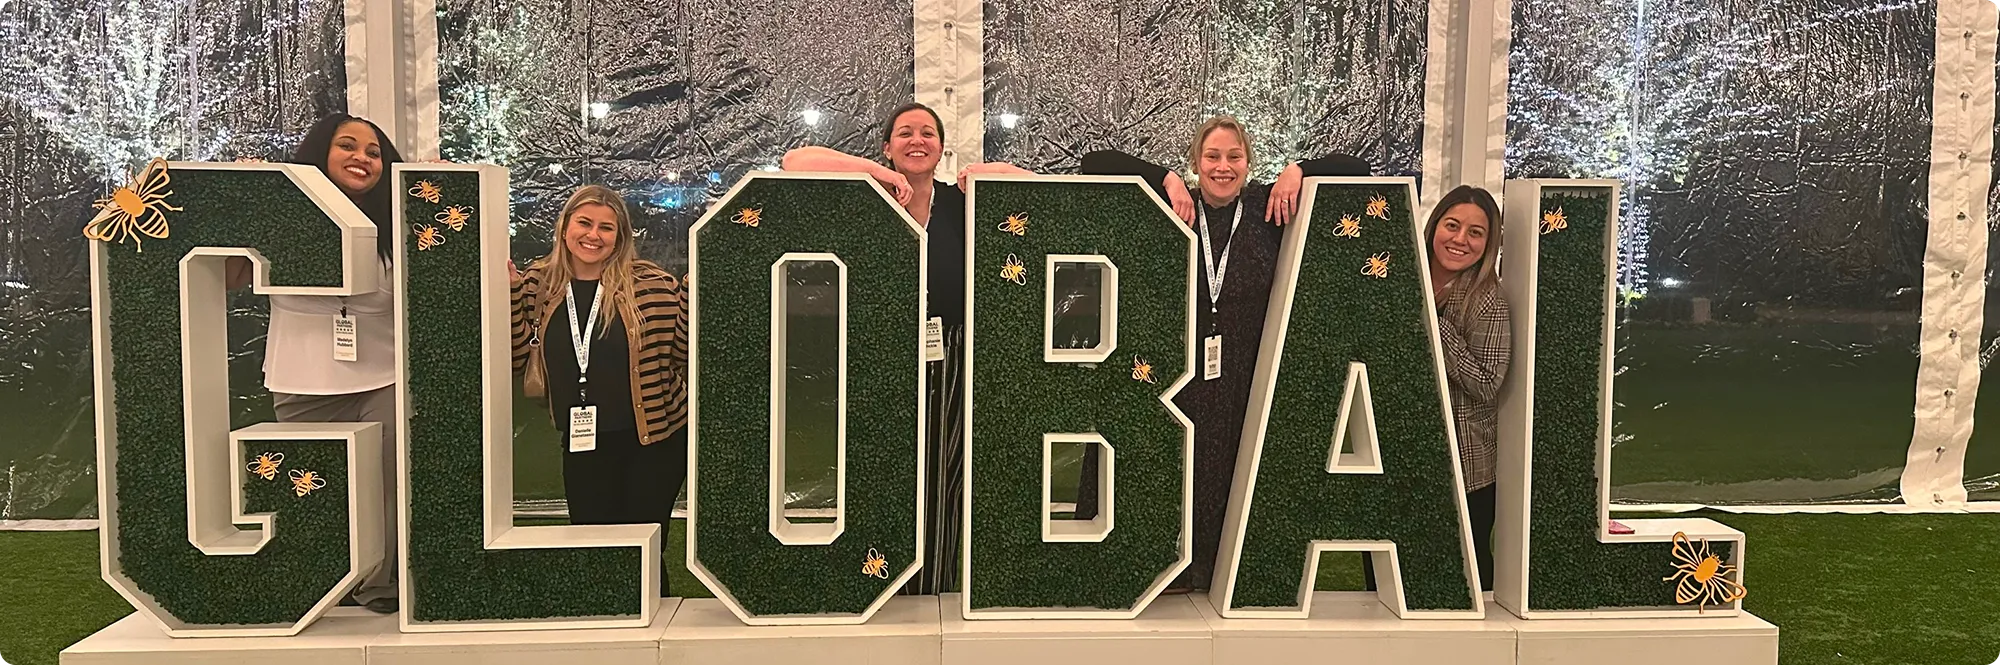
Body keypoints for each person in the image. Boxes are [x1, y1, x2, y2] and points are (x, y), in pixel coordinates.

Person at [1078, 115, 1371, 592]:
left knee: (1226, 474)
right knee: (1167, 470)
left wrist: (1300, 169)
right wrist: (1164, 177)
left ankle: (1213, 575)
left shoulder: (1268, 209)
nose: (1223, 167)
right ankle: (1154, 570)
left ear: (1248, 163)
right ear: (1196, 162)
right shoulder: (1173, 204)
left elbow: (1358, 170)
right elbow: (1095, 163)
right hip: (1176, 369)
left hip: (1241, 373)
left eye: (1234, 157)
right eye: (1212, 156)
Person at [780, 103, 1028, 594]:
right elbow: (795, 161)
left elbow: (1035, 184)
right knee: (885, 468)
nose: (917, 141)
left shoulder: (962, 201)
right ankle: (881, 582)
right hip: (882, 352)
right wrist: (879, 174)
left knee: (946, 473)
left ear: (942, 147)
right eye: (905, 133)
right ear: (887, 146)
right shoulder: (868, 194)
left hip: (950, 352)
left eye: (928, 133)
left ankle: (936, 584)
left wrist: (986, 170)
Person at [226, 113, 404, 613]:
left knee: (386, 485)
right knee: (312, 485)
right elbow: (230, 277)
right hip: (302, 378)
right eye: (348, 146)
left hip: (386, 376)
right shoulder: (277, 213)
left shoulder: (398, 219)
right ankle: (323, 581)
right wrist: (241, 202)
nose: (362, 158)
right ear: (320, 152)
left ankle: (379, 585)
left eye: (374, 152)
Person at [509, 185, 689, 597]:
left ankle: (655, 625)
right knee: (592, 544)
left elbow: (681, 353)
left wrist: (695, 296)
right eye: (585, 223)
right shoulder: (537, 284)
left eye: (606, 227)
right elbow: (518, 355)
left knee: (644, 547)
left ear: (620, 236)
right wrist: (509, 292)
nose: (594, 235)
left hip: (654, 439)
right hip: (583, 439)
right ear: (565, 227)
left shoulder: (651, 285)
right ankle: (607, 623)